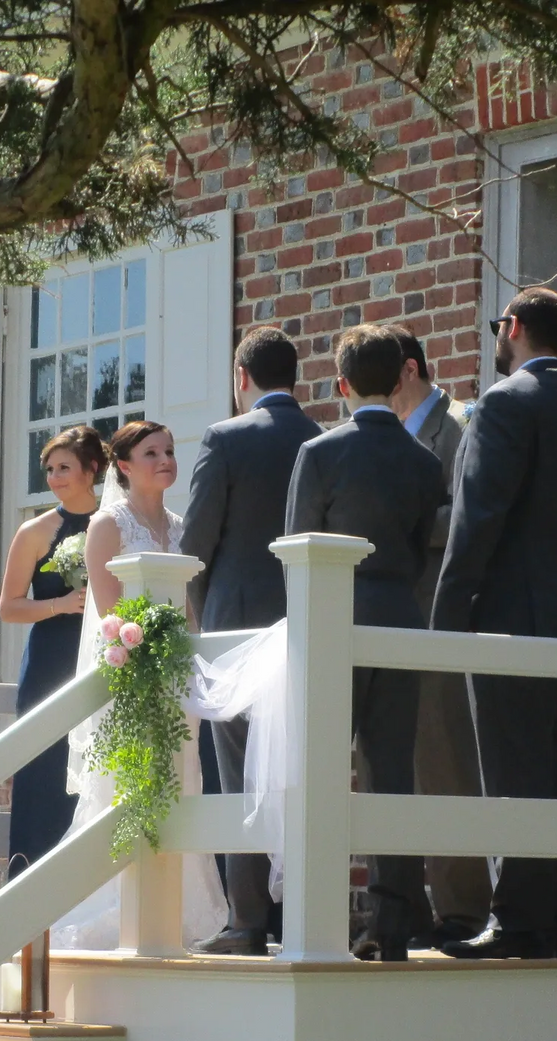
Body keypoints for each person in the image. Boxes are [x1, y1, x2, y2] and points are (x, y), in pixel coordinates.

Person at [432, 287, 557, 960]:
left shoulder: (504, 402)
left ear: (512, 328)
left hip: (512, 615)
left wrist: (446, 617)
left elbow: (476, 517)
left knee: (515, 770)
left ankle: (516, 921)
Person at [285, 326, 447, 964]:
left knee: (321, 766)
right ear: (400, 375)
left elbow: (296, 547)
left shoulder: (320, 452)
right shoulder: (424, 462)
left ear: (341, 383)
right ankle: (391, 923)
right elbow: (418, 550)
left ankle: (317, 918)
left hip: (332, 615)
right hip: (399, 615)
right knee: (392, 770)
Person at [53, 420, 228, 950]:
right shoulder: (108, 525)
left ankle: (178, 913)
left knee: (183, 781)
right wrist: (150, 650)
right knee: (123, 788)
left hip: (178, 681)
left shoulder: (182, 527)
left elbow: (193, 609)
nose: (165, 460)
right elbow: (110, 612)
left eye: (169, 451)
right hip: (130, 678)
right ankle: (119, 908)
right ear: (124, 466)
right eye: (152, 453)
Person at [180, 327, 320, 955]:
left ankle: (247, 921)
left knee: (239, 772)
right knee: (301, 766)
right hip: (310, 622)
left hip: (236, 627)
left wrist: (204, 608)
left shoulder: (225, 438)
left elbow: (196, 544)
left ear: (242, 377)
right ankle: (300, 914)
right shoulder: (322, 437)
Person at [385, 325, 494, 950]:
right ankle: (402, 909)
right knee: (389, 765)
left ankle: (464, 910)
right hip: (384, 616)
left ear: (409, 370)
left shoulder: (461, 424)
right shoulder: (385, 433)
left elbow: (468, 513)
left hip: (435, 611)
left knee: (444, 758)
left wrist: (397, 522)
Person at [0, 427, 104, 876]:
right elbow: (9, 607)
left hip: (100, 661)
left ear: (92, 470)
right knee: (44, 772)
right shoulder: (35, 532)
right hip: (49, 665)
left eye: (65, 468)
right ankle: (30, 879)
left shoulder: (116, 524)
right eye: (50, 469)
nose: (55, 477)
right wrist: (60, 604)